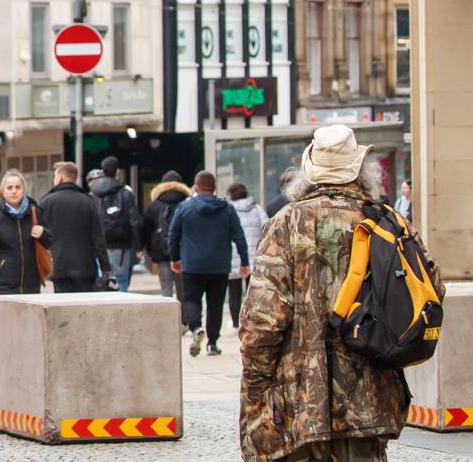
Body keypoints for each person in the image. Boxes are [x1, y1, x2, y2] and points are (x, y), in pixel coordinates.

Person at [239, 124, 444, 461]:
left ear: (308, 174)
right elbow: (431, 291)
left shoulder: (286, 224)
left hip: (301, 402)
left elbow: (262, 320)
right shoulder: (388, 222)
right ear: (361, 172)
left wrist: (257, 388)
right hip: (370, 400)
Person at [168, 171, 248, 357]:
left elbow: (173, 236)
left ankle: (196, 328)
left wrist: (175, 258)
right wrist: (244, 261)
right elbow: (239, 236)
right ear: (214, 188)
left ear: (195, 187)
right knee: (215, 304)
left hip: (192, 265)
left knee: (191, 299)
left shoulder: (184, 208)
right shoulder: (227, 209)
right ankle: (212, 342)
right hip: (219, 266)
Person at [39, 161, 111, 293]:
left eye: (55, 176)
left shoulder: (46, 202)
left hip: (58, 266)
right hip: (85, 266)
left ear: (60, 178)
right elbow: (98, 238)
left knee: (62, 307)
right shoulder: (88, 202)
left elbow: (40, 234)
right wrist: (105, 267)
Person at [90, 157, 141, 292]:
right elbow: (134, 221)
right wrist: (139, 246)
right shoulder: (125, 193)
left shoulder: (92, 194)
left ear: (102, 171)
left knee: (102, 279)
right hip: (121, 245)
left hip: (98, 244)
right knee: (121, 280)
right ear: (118, 172)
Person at [140, 170, 191, 300]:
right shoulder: (187, 204)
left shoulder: (154, 205)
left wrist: (150, 251)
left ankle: (169, 317)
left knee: (166, 288)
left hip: (161, 251)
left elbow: (145, 229)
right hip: (183, 252)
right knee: (184, 289)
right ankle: (184, 317)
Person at [226, 182, 267, 329]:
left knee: (234, 291)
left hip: (234, 255)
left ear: (230, 194)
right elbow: (267, 227)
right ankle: (251, 321)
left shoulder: (228, 209)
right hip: (254, 256)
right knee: (253, 291)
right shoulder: (257, 208)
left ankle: (236, 323)